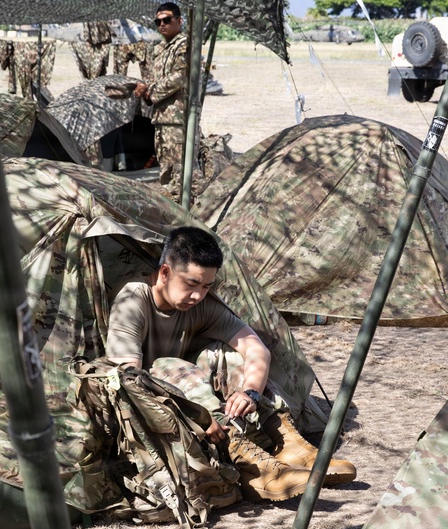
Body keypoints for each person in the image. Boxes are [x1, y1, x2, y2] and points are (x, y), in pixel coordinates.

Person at [106, 227, 357, 502]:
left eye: (207, 286)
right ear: (164, 273)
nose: (198, 295)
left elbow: (256, 350)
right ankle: (250, 467)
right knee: (167, 365)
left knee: (228, 355)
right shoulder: (133, 300)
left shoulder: (201, 304)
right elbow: (128, 381)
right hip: (161, 407)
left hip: (194, 394)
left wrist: (250, 392)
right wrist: (199, 416)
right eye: (191, 284)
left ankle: (290, 446)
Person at [134, 3, 188, 201]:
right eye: (158, 21)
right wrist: (144, 89)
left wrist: (151, 91)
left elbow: (180, 76)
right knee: (165, 169)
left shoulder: (185, 45)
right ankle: (171, 210)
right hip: (162, 117)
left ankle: (186, 210)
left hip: (178, 117)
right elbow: (155, 78)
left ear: (179, 21)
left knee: (181, 170)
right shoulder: (161, 49)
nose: (162, 24)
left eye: (167, 20)